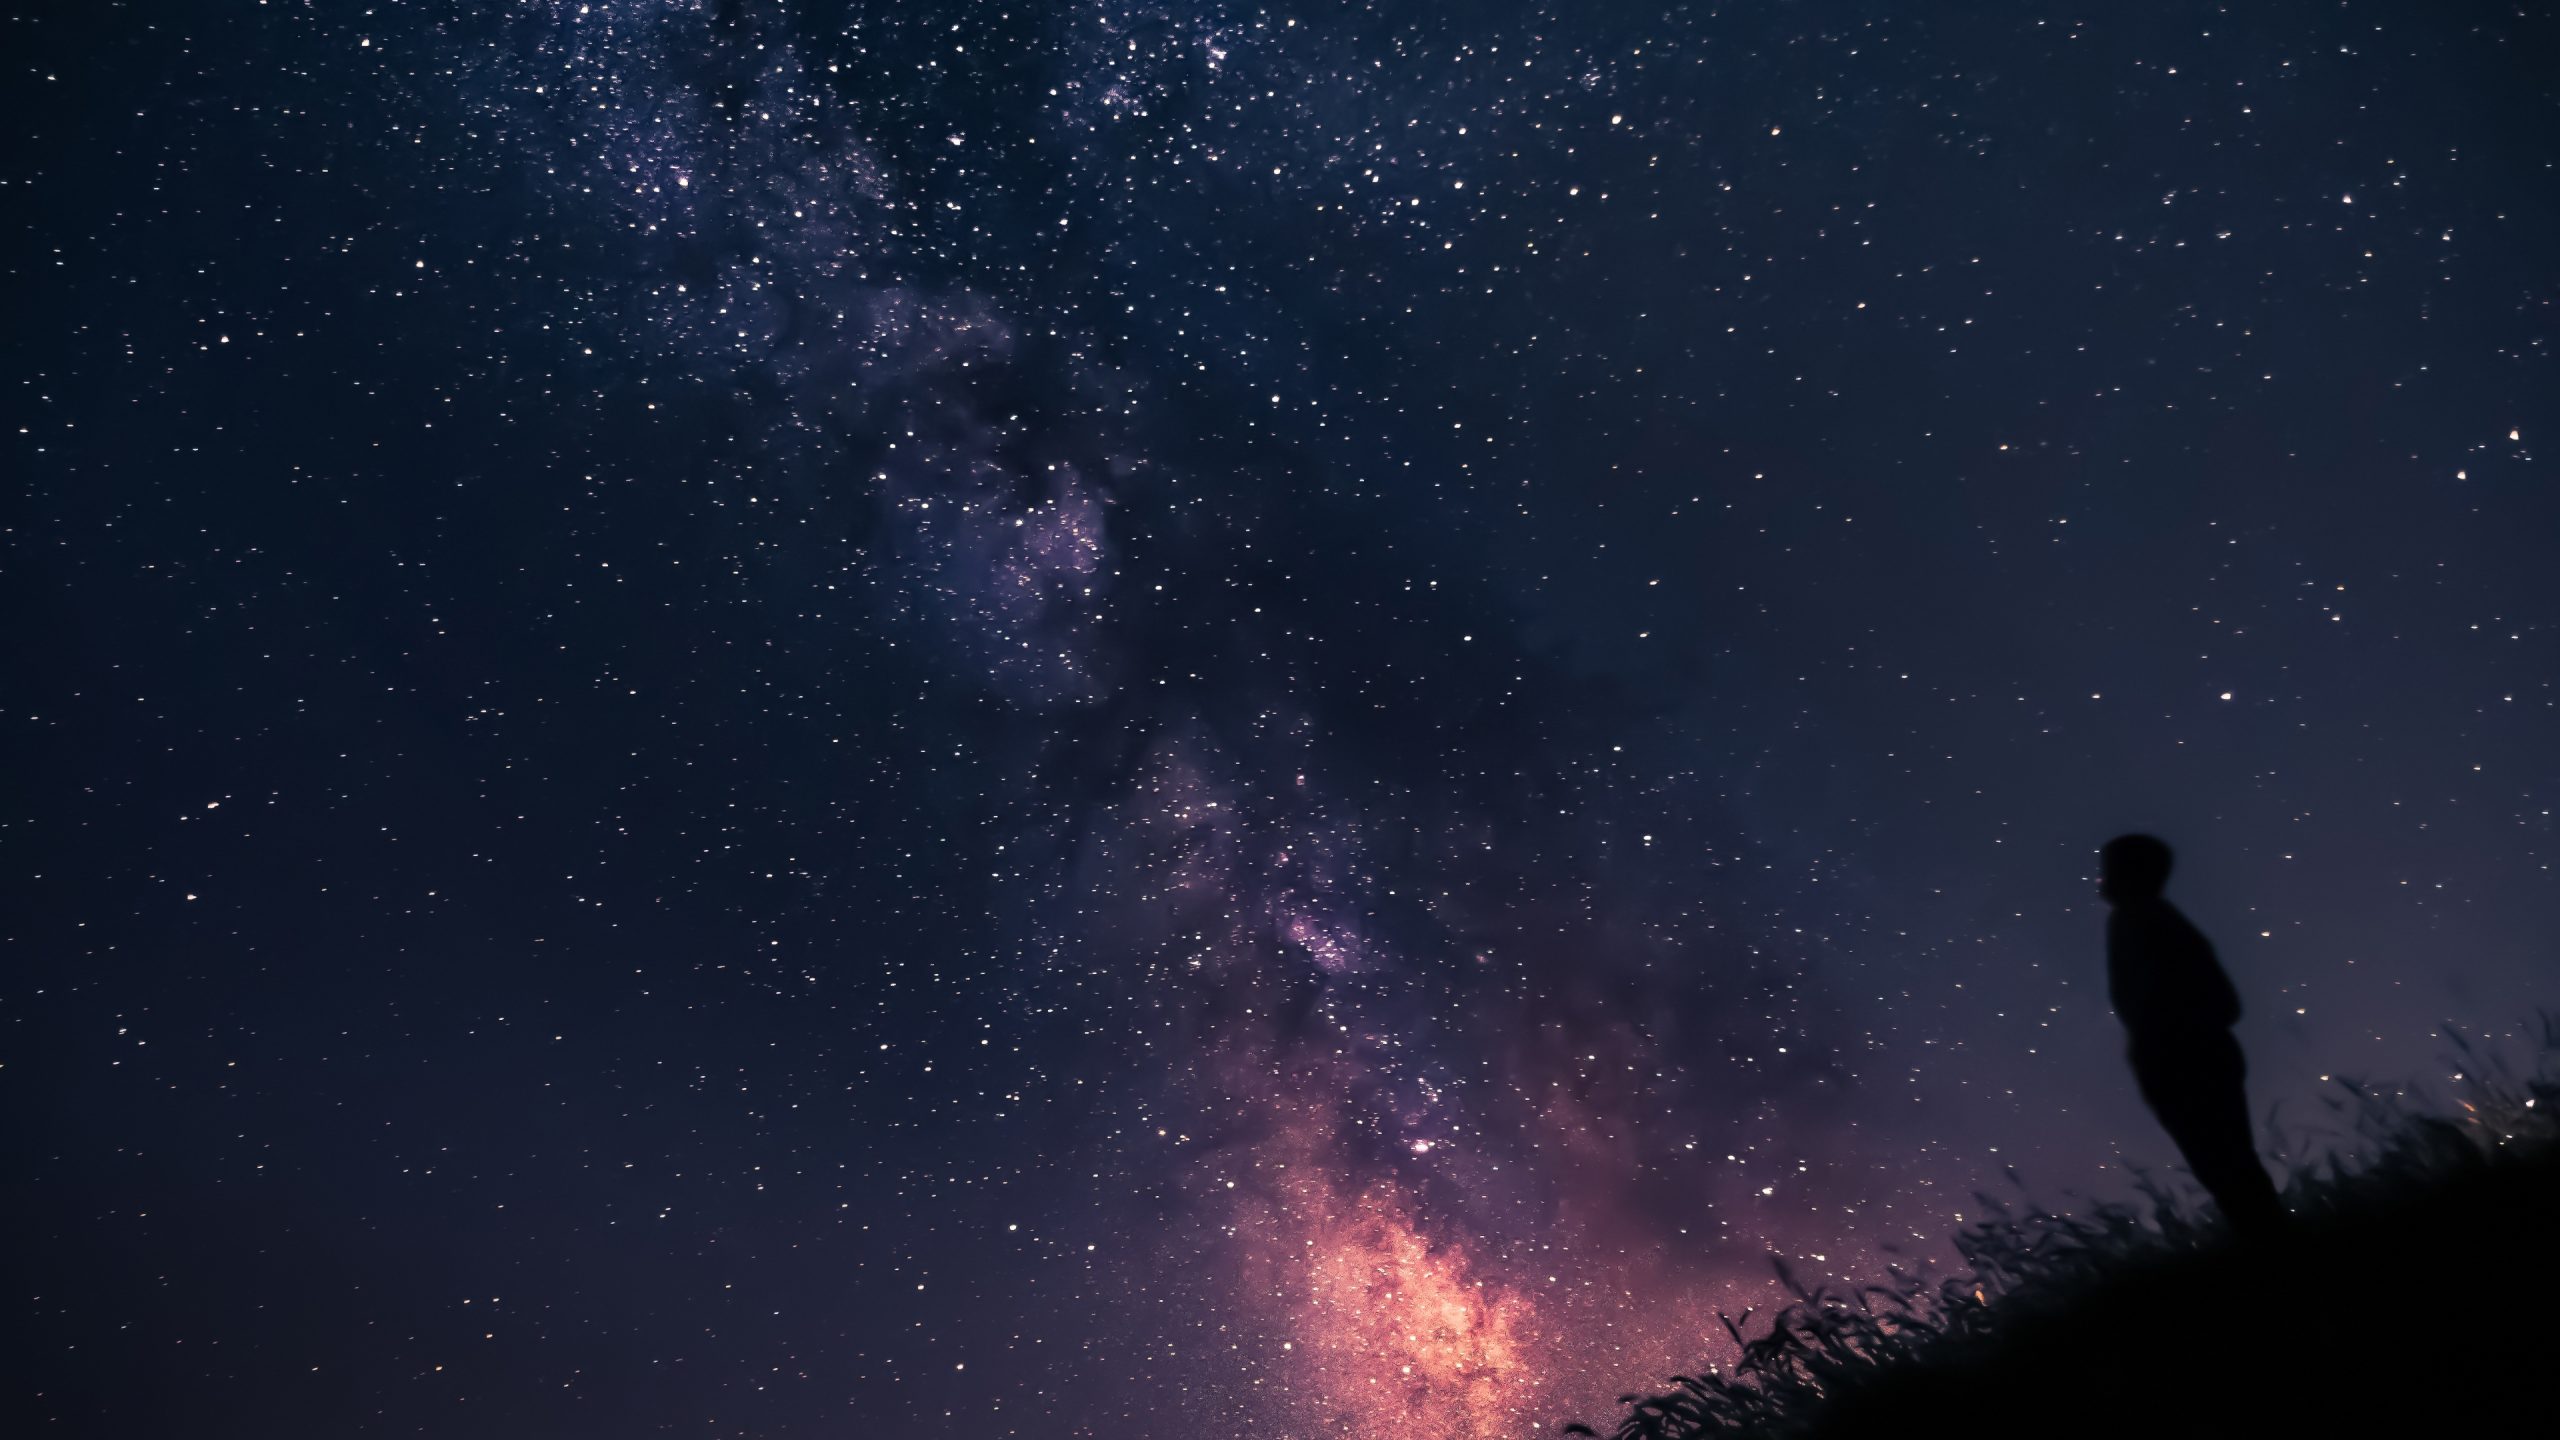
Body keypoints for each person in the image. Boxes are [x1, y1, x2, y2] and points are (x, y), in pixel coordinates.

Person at [2099, 833, 2286, 1237]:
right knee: (2226, 1166)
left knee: (2226, 1166)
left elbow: (2223, 1002)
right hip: (2183, 1059)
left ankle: (2275, 1244)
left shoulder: (2151, 922)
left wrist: (2170, 1037)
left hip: (2187, 1061)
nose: (2101, 878)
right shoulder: (2135, 922)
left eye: (2110, 868)